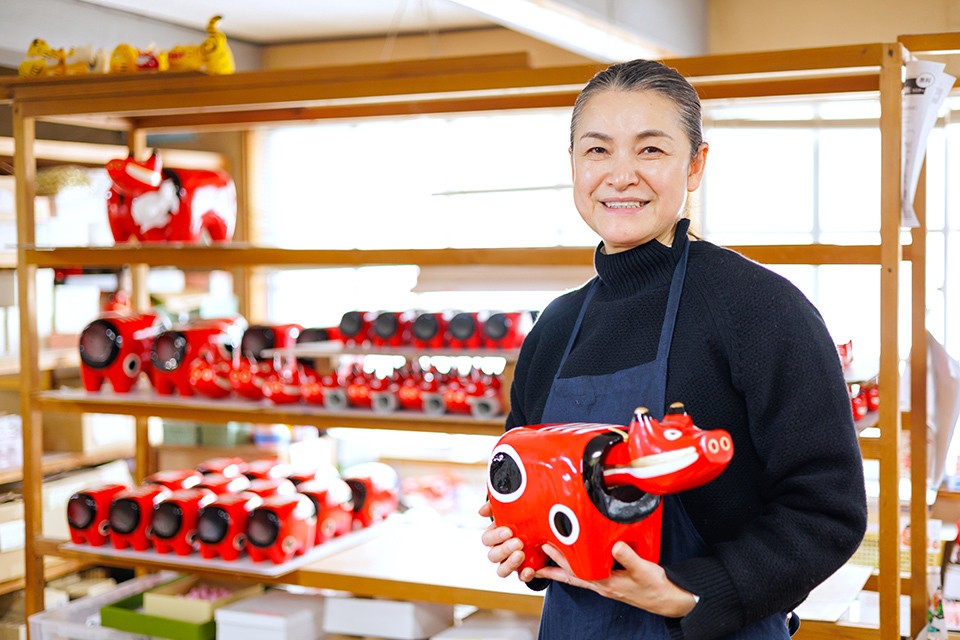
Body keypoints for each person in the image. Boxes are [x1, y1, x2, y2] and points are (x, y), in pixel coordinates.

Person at [479, 59, 867, 640]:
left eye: (651, 150)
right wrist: (523, 544)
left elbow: (827, 510)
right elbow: (527, 478)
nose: (621, 175)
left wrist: (691, 592)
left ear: (695, 166)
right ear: (574, 166)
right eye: (598, 150)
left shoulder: (761, 309)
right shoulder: (555, 328)